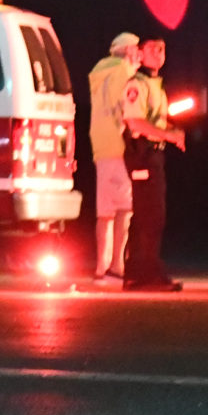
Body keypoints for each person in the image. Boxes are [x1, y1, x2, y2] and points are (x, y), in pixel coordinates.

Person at [121, 36, 186, 291]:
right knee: (149, 215)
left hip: (154, 154)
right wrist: (168, 135)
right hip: (141, 154)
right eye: (153, 49)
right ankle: (146, 275)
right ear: (140, 53)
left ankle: (140, 274)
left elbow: (155, 121)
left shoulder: (156, 85)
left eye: (162, 49)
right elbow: (135, 123)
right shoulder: (136, 84)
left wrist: (172, 131)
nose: (159, 53)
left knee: (152, 215)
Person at [82, 32, 144, 285]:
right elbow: (126, 108)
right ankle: (117, 267)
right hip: (118, 147)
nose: (138, 55)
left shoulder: (100, 71)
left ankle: (101, 268)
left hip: (100, 145)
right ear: (127, 51)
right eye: (136, 50)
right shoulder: (122, 72)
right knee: (124, 210)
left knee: (104, 213)